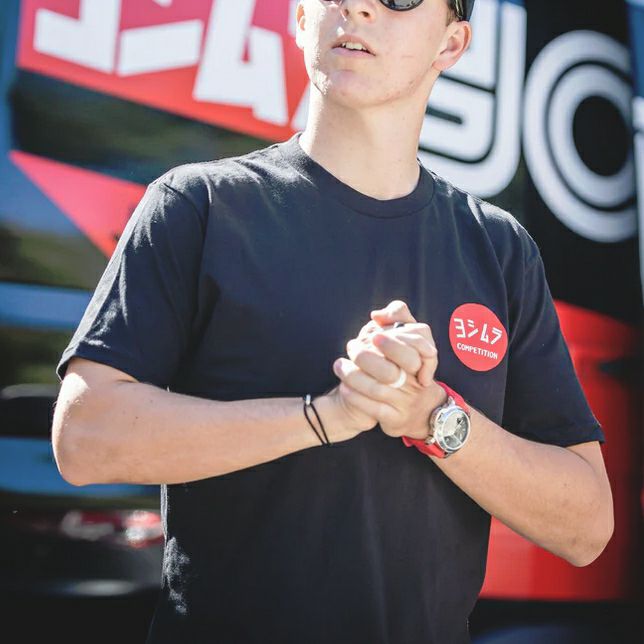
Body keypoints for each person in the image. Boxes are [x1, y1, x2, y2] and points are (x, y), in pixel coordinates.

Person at [52, 1, 614, 642]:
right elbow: (84, 438)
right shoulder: (200, 205)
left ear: (451, 44)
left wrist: (433, 417)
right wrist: (325, 416)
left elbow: (586, 527)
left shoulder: (500, 249)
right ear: (301, 19)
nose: (359, 6)